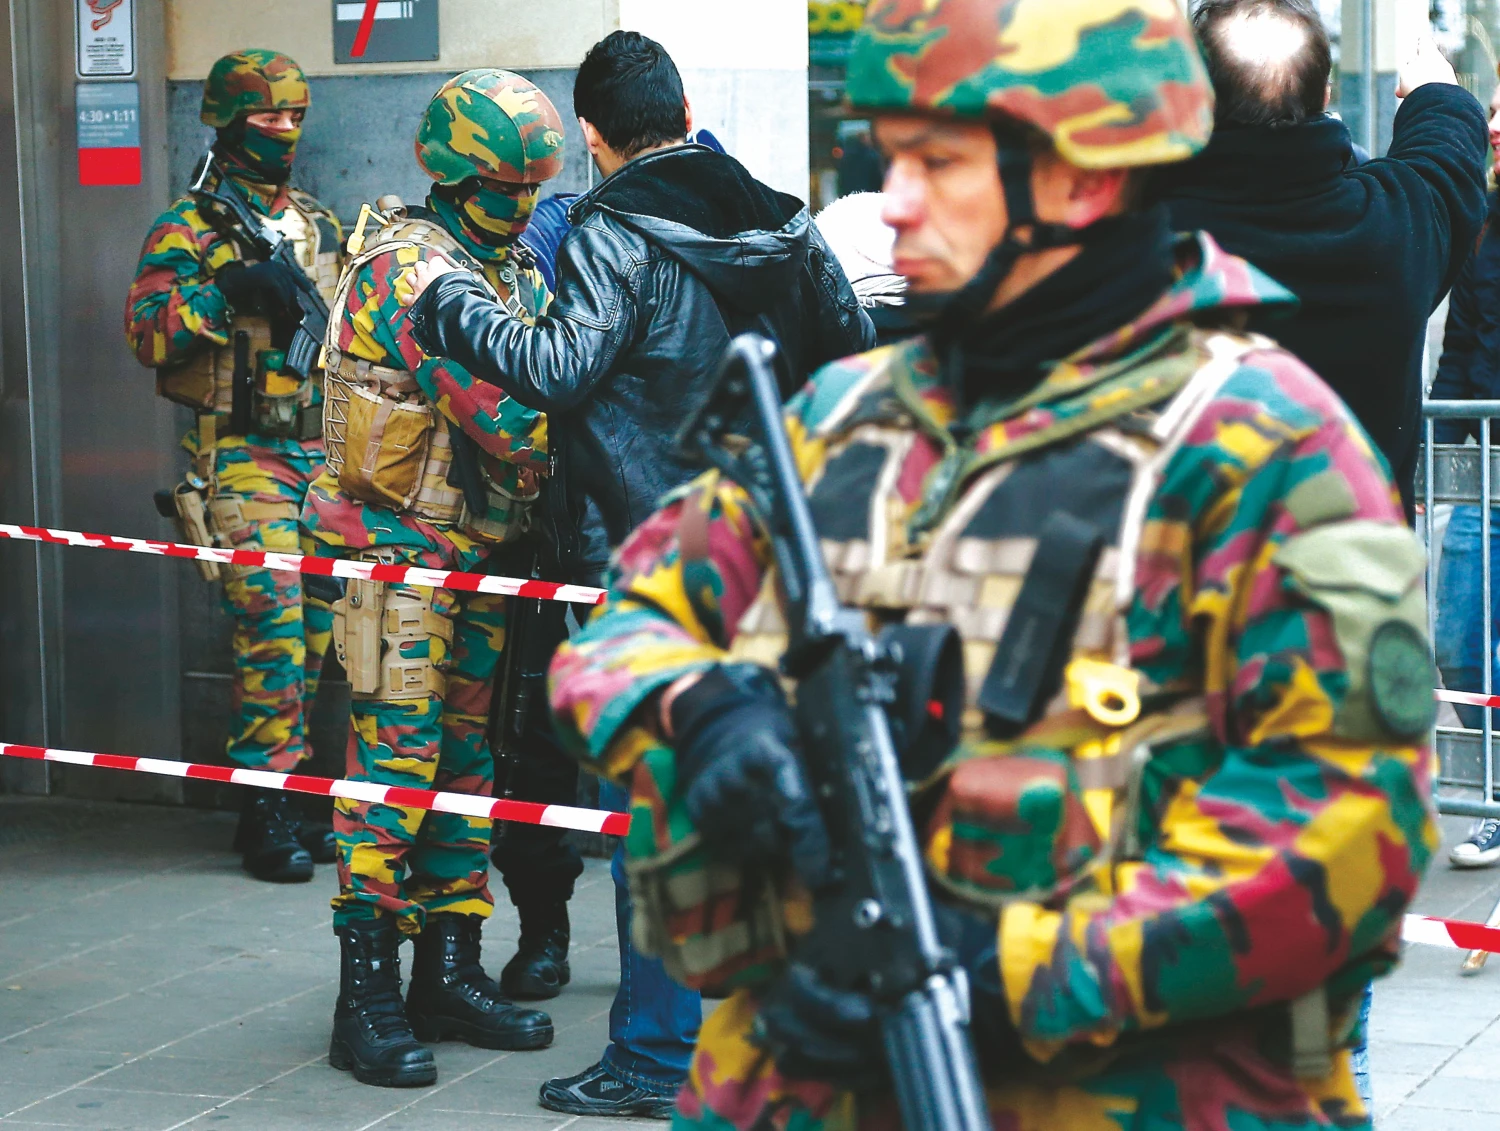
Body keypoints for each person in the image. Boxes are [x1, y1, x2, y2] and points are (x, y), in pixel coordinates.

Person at [546, 0, 1440, 1127]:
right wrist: (701, 711)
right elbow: (633, 616)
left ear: (1082, 181)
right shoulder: (840, 419)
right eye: (889, 156)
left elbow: (1347, 827)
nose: (893, 202)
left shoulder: (1267, 454)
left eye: (940, 163)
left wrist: (1005, 980)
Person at [403, 31, 874, 1118]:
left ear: (591, 134)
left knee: (654, 820)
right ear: (686, 105)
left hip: (653, 565)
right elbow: (852, 348)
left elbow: (559, 368)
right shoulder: (785, 214)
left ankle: (659, 1056)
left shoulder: (611, 227)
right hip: (774, 560)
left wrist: (446, 304)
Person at [298, 68, 570, 1089]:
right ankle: (362, 994)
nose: (523, 208)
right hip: (396, 560)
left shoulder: (502, 265)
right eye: (506, 189)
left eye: (533, 189)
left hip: (480, 561)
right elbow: (507, 417)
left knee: (468, 768)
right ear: (455, 176)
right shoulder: (412, 273)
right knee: (394, 771)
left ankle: (448, 969)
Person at [124, 49, 342, 884]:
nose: (283, 131)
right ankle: (267, 807)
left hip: (320, 453)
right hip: (243, 453)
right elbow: (147, 334)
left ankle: (295, 793)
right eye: (265, 118)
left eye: (294, 117)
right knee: (274, 626)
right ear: (227, 119)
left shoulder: (319, 224)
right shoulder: (189, 228)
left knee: (320, 631)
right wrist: (230, 292)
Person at [1160, 0, 1488, 521]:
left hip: (1168, 580)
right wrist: (1436, 91)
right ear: (1327, 95)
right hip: (1357, 585)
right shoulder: (1391, 228)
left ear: (1191, 100)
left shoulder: (1136, 237)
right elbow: (1446, 159)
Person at [1430, 77, 1500, 868]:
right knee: (1459, 636)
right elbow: (1458, 349)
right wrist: (1438, 456)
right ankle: (1494, 792)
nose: (1495, 122)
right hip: (1486, 466)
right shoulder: (1482, 222)